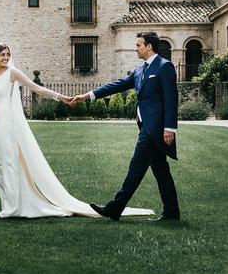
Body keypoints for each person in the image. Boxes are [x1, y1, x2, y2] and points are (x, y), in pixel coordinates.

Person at [0, 43, 154, 219]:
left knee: (10, 164)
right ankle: (11, 200)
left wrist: (60, 97)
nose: (6, 58)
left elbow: (37, 89)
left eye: (8, 55)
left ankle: (12, 207)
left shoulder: (13, 73)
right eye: (2, 55)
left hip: (11, 125)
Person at [68, 31, 180, 222]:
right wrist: (88, 95)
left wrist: (169, 127)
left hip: (155, 130)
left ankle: (115, 208)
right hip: (147, 128)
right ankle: (172, 212)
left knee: (136, 169)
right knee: (161, 171)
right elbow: (116, 85)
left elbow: (171, 98)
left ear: (149, 47)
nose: (135, 48)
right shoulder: (139, 71)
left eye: (138, 45)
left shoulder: (164, 66)